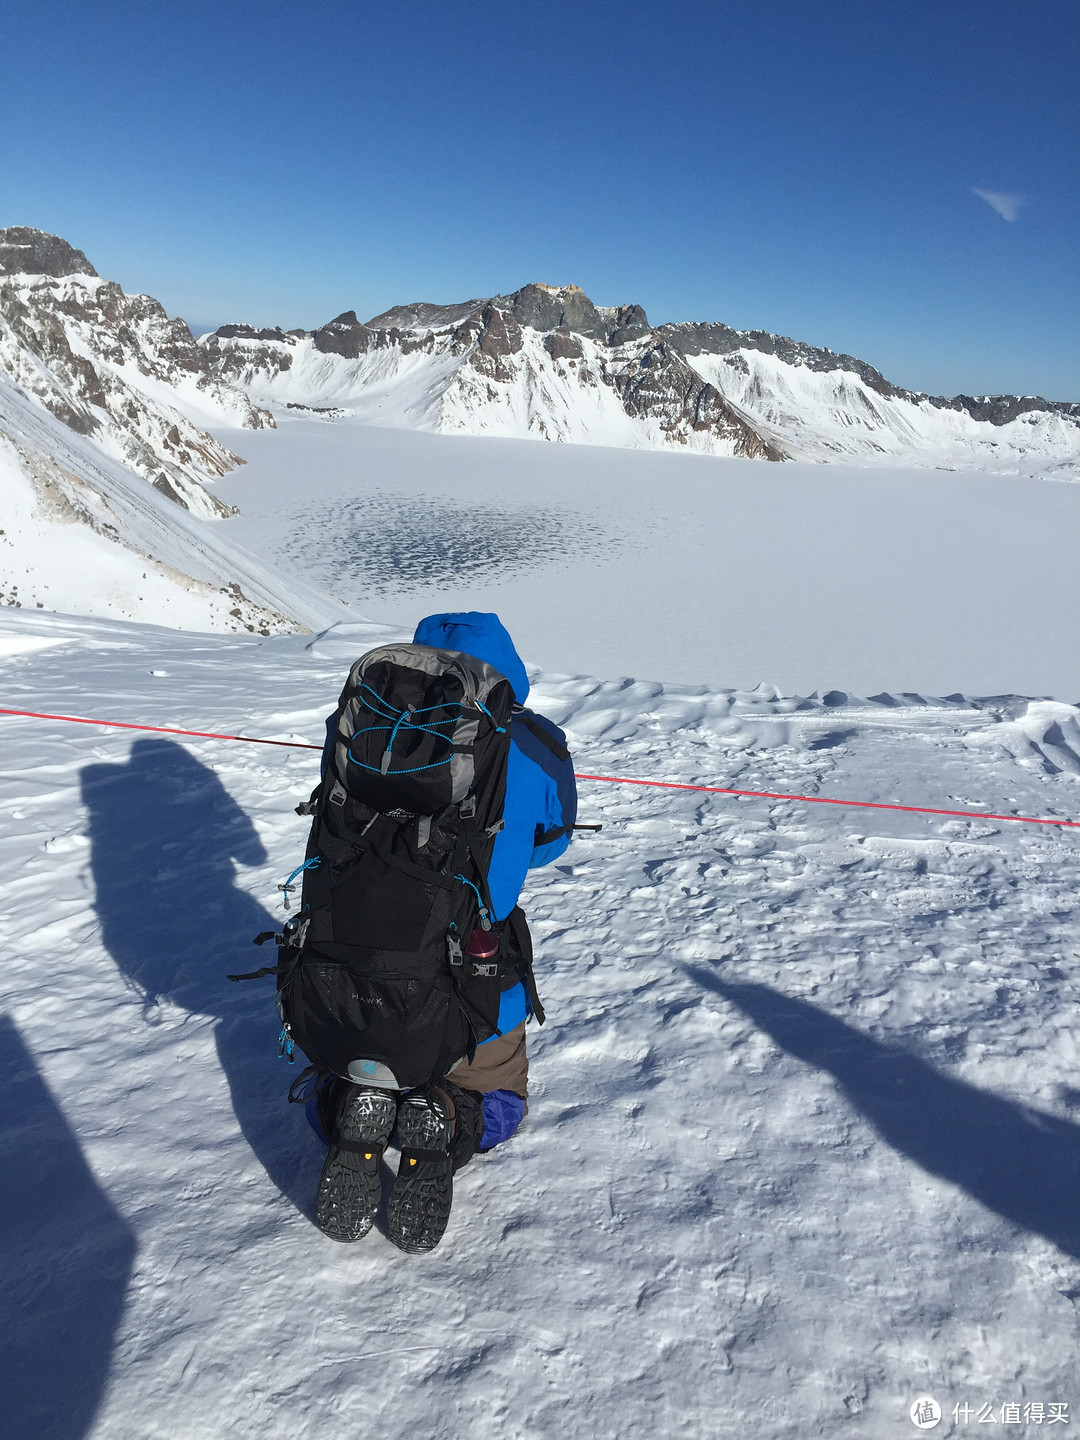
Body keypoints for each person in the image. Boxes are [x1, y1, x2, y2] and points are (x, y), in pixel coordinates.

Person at [308, 612, 576, 1253]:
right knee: (500, 1105)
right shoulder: (536, 744)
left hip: (350, 971)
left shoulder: (365, 722)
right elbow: (551, 842)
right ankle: (448, 1117)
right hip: (474, 981)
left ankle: (351, 1106)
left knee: (338, 1072)